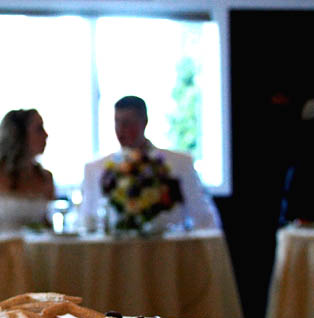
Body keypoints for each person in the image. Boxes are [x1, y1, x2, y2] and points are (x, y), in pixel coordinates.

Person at [80, 95, 221, 230]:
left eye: (128, 122)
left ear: (144, 121)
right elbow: (87, 221)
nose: (122, 129)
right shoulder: (97, 168)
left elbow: (204, 218)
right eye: (118, 122)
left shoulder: (179, 163)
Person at [0, 109, 56, 238]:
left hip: (39, 253)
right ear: (20, 135)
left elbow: (47, 224)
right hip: (2, 253)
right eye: (39, 129)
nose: (46, 135)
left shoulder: (46, 178)